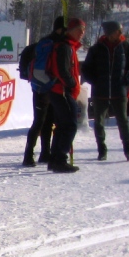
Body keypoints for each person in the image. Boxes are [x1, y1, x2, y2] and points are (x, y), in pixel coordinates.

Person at [81, 20, 129, 162]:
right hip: (100, 92)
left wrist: (128, 78)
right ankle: (102, 150)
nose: (119, 33)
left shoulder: (126, 47)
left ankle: (128, 149)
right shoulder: (96, 49)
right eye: (116, 31)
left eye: (119, 31)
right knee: (99, 122)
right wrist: (95, 81)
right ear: (109, 33)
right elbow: (86, 68)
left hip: (119, 91)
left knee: (123, 121)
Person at [20, 16, 64, 166]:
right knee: (42, 121)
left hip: (41, 88)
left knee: (44, 121)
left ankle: (42, 153)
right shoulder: (55, 44)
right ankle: (32, 155)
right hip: (48, 87)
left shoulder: (45, 42)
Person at [47, 18, 86, 173]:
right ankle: (60, 159)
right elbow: (62, 70)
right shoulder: (65, 47)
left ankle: (55, 159)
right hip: (62, 90)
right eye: (79, 30)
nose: (82, 33)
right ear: (70, 30)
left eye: (83, 30)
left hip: (59, 90)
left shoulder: (68, 46)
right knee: (70, 124)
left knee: (63, 125)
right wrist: (72, 85)